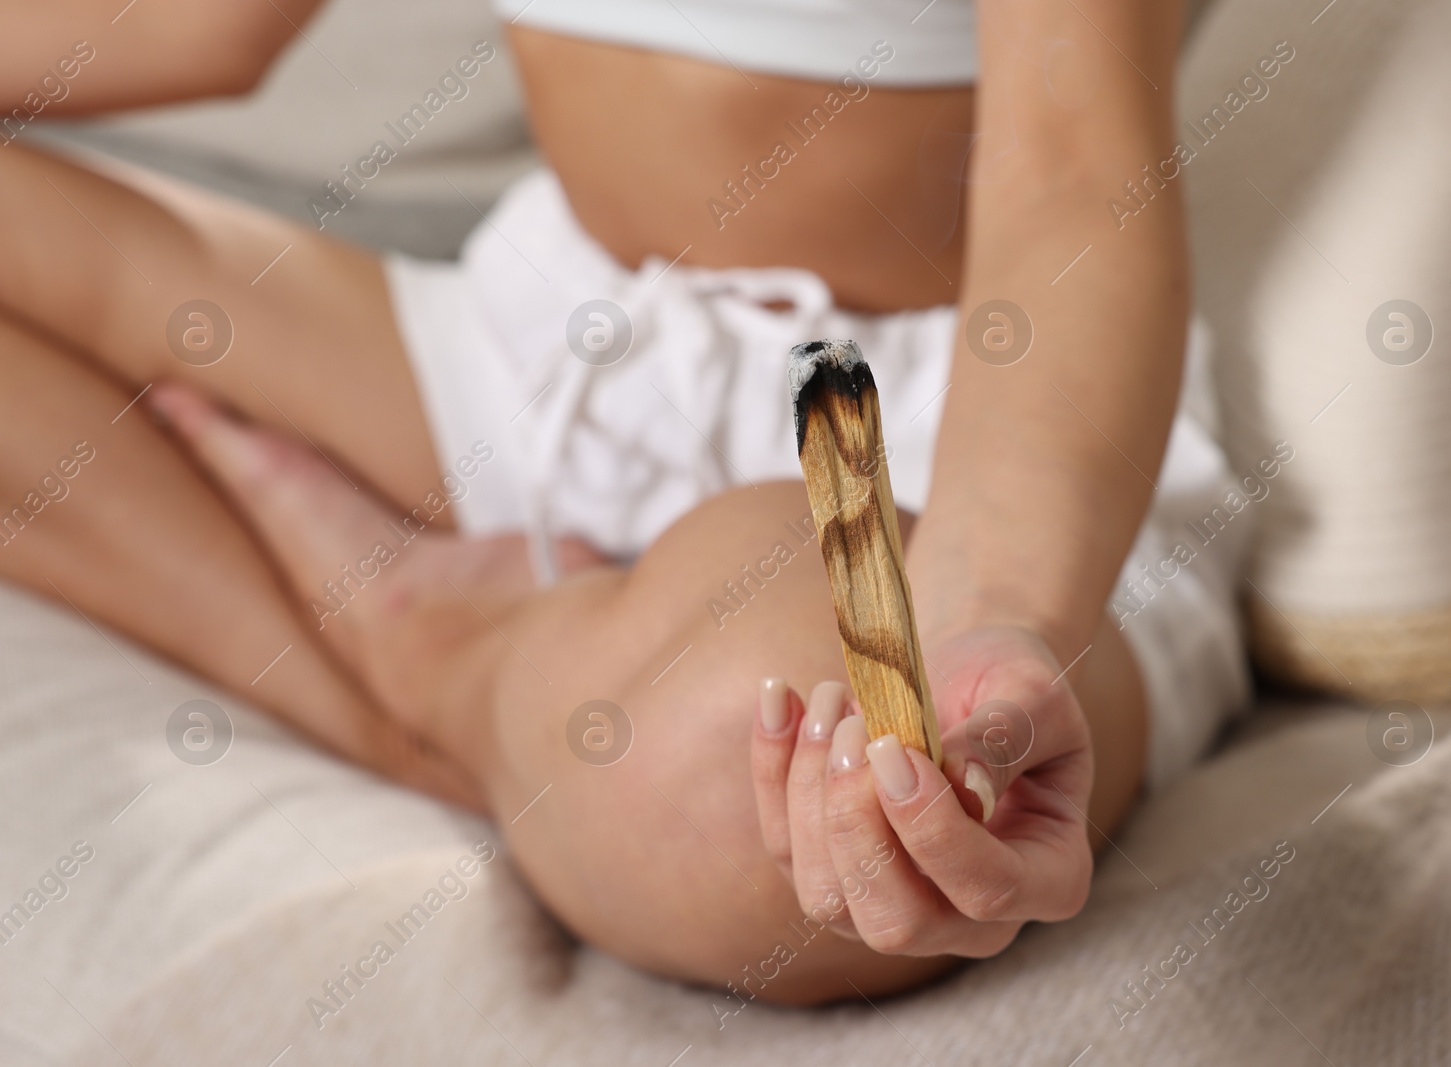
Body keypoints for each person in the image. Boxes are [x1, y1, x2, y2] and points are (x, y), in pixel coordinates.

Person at [0, 0, 1244, 1003]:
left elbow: (1079, 176)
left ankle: (446, 659)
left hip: (920, 427)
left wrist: (990, 615)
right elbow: (195, 22)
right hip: (565, 344)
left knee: (783, 788)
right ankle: (390, 701)